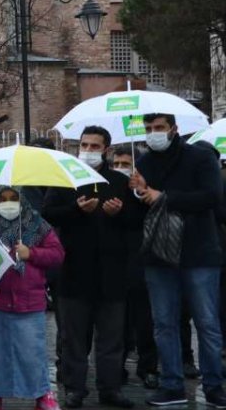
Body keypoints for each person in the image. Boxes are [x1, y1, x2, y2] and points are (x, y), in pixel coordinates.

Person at [42, 127, 142, 409]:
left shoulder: (119, 181)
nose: (87, 150)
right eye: (84, 144)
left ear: (106, 150)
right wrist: (76, 209)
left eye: (94, 145)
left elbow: (137, 220)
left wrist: (120, 212)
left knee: (111, 338)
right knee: (73, 338)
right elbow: (49, 213)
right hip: (74, 272)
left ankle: (110, 388)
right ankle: (75, 388)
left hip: (112, 274)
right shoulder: (66, 179)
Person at [131, 113, 226, 407]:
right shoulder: (143, 163)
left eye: (158, 128)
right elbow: (141, 208)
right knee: (164, 323)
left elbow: (211, 197)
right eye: (148, 129)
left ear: (173, 129)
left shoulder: (199, 157)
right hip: (159, 254)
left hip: (199, 252)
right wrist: (137, 192)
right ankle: (171, 384)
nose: (153, 133)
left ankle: (214, 385)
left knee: (207, 322)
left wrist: (164, 196)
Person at [0, 187, 64, 410]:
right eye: (3, 199)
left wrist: (31, 253)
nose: (8, 203)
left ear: (22, 200)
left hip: (30, 300)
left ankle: (41, 394)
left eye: (13, 198)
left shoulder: (37, 224)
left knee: (32, 352)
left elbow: (57, 254)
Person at [111, 148, 159, 390]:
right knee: (118, 322)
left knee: (145, 320)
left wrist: (140, 192)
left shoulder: (144, 188)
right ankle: (116, 368)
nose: (120, 166)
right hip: (116, 261)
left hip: (142, 260)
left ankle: (148, 367)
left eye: (125, 163)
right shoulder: (111, 188)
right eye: (117, 162)